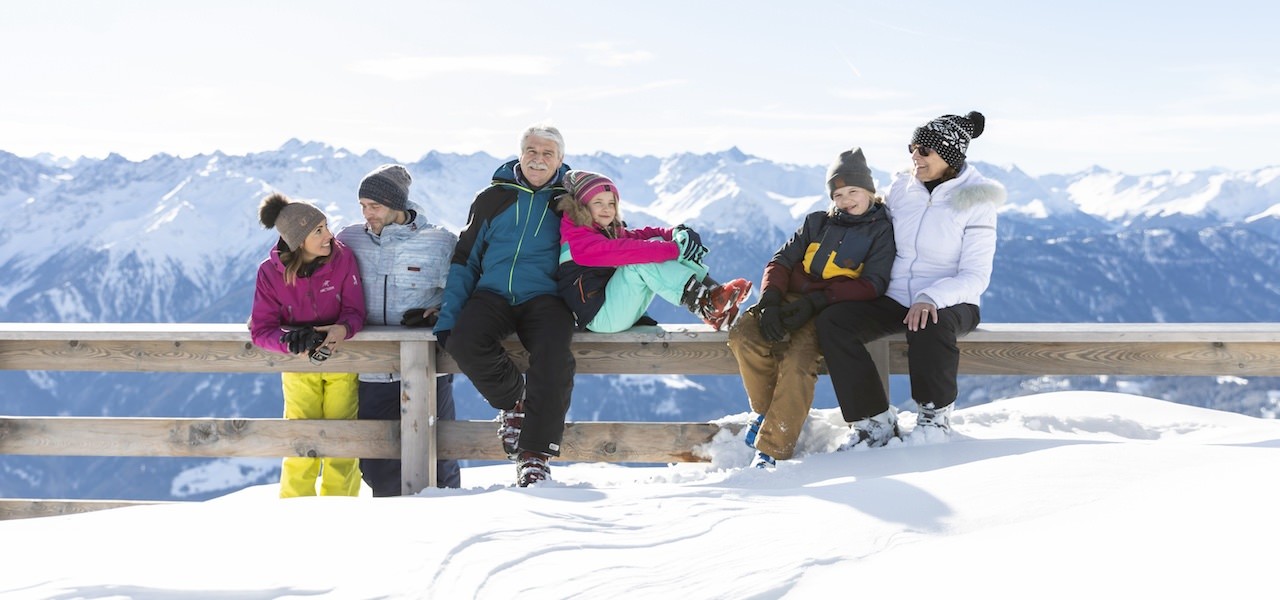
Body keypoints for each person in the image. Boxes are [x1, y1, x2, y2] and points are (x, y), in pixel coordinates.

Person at [816, 111, 1006, 448]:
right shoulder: (902, 189)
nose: (914, 157)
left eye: (923, 151)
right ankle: (872, 421)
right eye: (912, 148)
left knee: (928, 323)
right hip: (895, 297)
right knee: (835, 322)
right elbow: (871, 226)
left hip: (952, 301)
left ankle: (934, 418)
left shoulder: (976, 201)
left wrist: (931, 297)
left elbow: (976, 276)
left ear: (948, 155)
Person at [728, 148, 896, 468]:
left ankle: (774, 446)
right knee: (743, 335)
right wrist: (771, 300)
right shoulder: (817, 223)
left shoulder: (880, 230)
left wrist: (819, 300)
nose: (846, 200)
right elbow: (781, 260)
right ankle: (769, 413)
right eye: (838, 194)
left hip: (828, 308)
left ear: (870, 191)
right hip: (790, 300)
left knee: (797, 360)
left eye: (853, 192)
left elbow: (873, 283)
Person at [432, 124, 577, 487]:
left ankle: (535, 455)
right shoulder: (492, 199)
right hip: (493, 293)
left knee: (555, 354)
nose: (538, 159)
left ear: (560, 160)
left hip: (544, 297)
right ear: (520, 153)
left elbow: (599, 248)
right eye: (532, 150)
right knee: (462, 340)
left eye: (547, 153)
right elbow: (465, 259)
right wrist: (448, 318)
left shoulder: (570, 203)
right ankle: (515, 402)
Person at [336, 163, 461, 494]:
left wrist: (440, 311)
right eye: (362, 206)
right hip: (372, 371)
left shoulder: (439, 242)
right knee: (377, 465)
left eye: (374, 206)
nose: (367, 214)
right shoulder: (348, 239)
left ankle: (452, 531)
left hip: (429, 369)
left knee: (440, 459)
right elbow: (312, 274)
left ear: (397, 205)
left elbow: (465, 295)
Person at [249, 192, 367, 498]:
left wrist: (344, 328)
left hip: (341, 361)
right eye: (318, 231)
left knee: (343, 444)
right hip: (299, 368)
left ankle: (340, 511)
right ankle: (294, 513)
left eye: (326, 226)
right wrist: (288, 340)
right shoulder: (269, 273)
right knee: (300, 443)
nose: (329, 235)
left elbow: (355, 311)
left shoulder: (343, 259)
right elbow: (261, 329)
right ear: (298, 239)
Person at [555, 170, 752, 333]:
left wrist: (673, 234)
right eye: (598, 202)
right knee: (639, 259)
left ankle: (718, 300)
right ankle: (707, 304)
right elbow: (627, 250)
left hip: (613, 307)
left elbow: (639, 236)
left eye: (611, 203)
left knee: (653, 249)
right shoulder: (579, 241)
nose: (607, 209)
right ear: (582, 206)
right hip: (599, 317)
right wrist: (675, 248)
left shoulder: (602, 231)